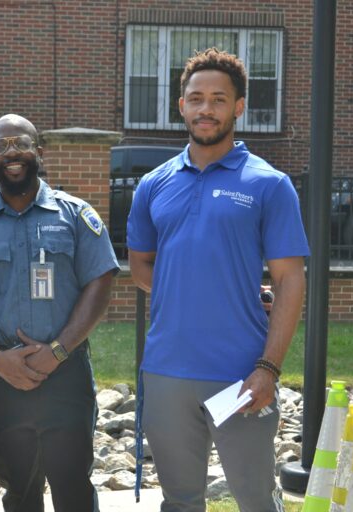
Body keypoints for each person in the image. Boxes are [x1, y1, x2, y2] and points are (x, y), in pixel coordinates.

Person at [127, 48, 309, 512]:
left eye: (218, 99)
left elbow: (290, 280)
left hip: (241, 375)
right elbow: (141, 266)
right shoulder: (153, 184)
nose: (206, 108)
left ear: (239, 107)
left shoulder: (268, 184)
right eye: (196, 98)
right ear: (181, 105)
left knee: (255, 500)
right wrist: (192, 289)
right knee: (180, 501)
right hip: (165, 371)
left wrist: (268, 368)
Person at [0, 114, 120, 512]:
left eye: (21, 143)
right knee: (19, 492)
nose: (13, 153)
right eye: (2, 146)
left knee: (73, 488)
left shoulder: (75, 215)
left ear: (38, 152)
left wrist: (57, 350)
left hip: (66, 375)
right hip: (3, 379)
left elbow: (100, 282)